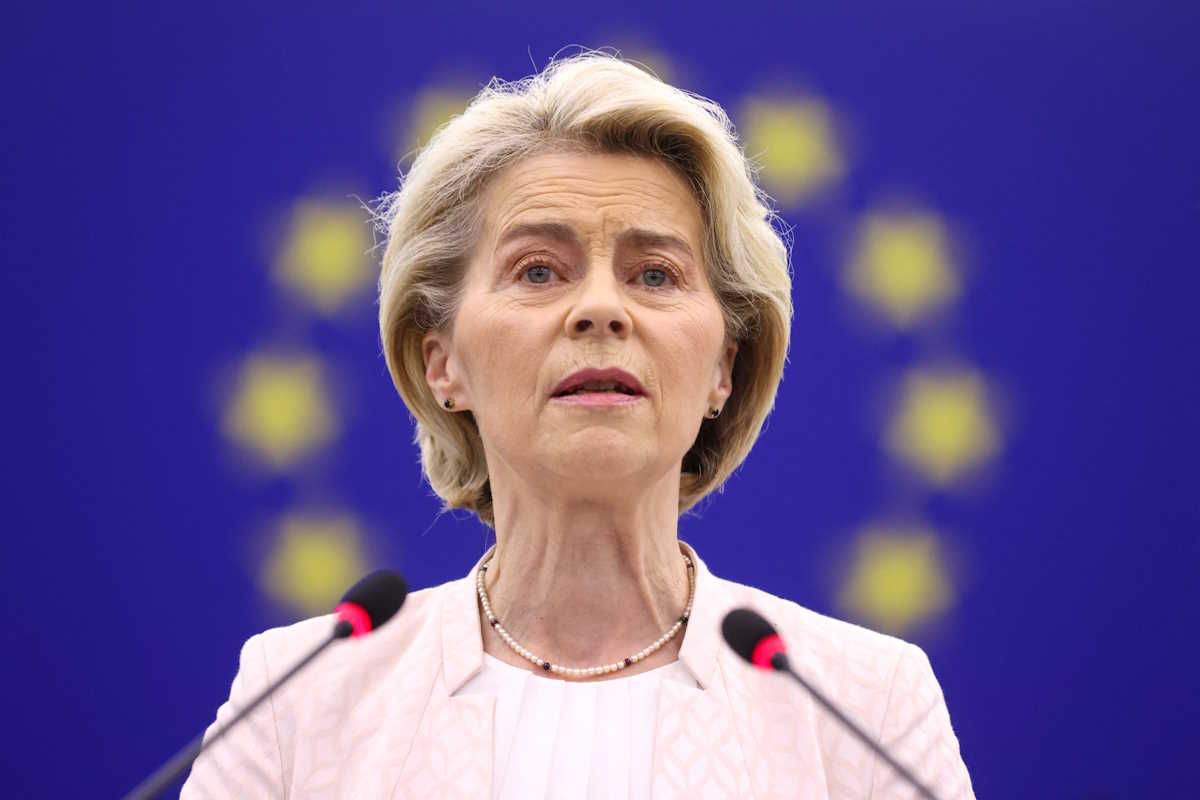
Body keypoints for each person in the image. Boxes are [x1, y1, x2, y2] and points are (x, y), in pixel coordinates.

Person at [182, 52, 975, 799]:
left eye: (654, 274)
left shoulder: (864, 706)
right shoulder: (300, 702)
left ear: (723, 369)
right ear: (441, 362)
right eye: (538, 270)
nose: (600, 308)